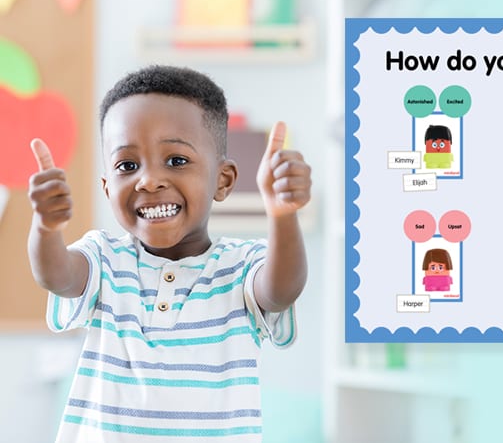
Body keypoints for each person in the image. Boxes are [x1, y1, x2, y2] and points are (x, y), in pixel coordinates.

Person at [26, 65, 311, 442]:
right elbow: (56, 275)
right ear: (108, 188)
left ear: (222, 180)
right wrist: (46, 228)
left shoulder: (242, 267)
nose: (148, 180)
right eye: (127, 165)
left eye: (176, 160)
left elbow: (281, 289)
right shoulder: (104, 258)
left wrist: (283, 215)